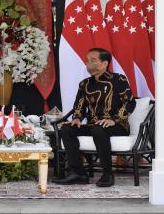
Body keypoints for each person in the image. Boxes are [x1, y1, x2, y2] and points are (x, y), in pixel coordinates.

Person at [53, 48, 136, 187]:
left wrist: (113, 119)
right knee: (67, 129)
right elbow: (79, 106)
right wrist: (77, 118)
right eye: (87, 60)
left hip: (116, 125)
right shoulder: (84, 84)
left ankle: (107, 174)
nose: (88, 63)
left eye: (93, 60)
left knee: (99, 129)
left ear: (104, 63)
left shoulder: (118, 79)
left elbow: (129, 103)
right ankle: (78, 173)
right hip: (93, 125)